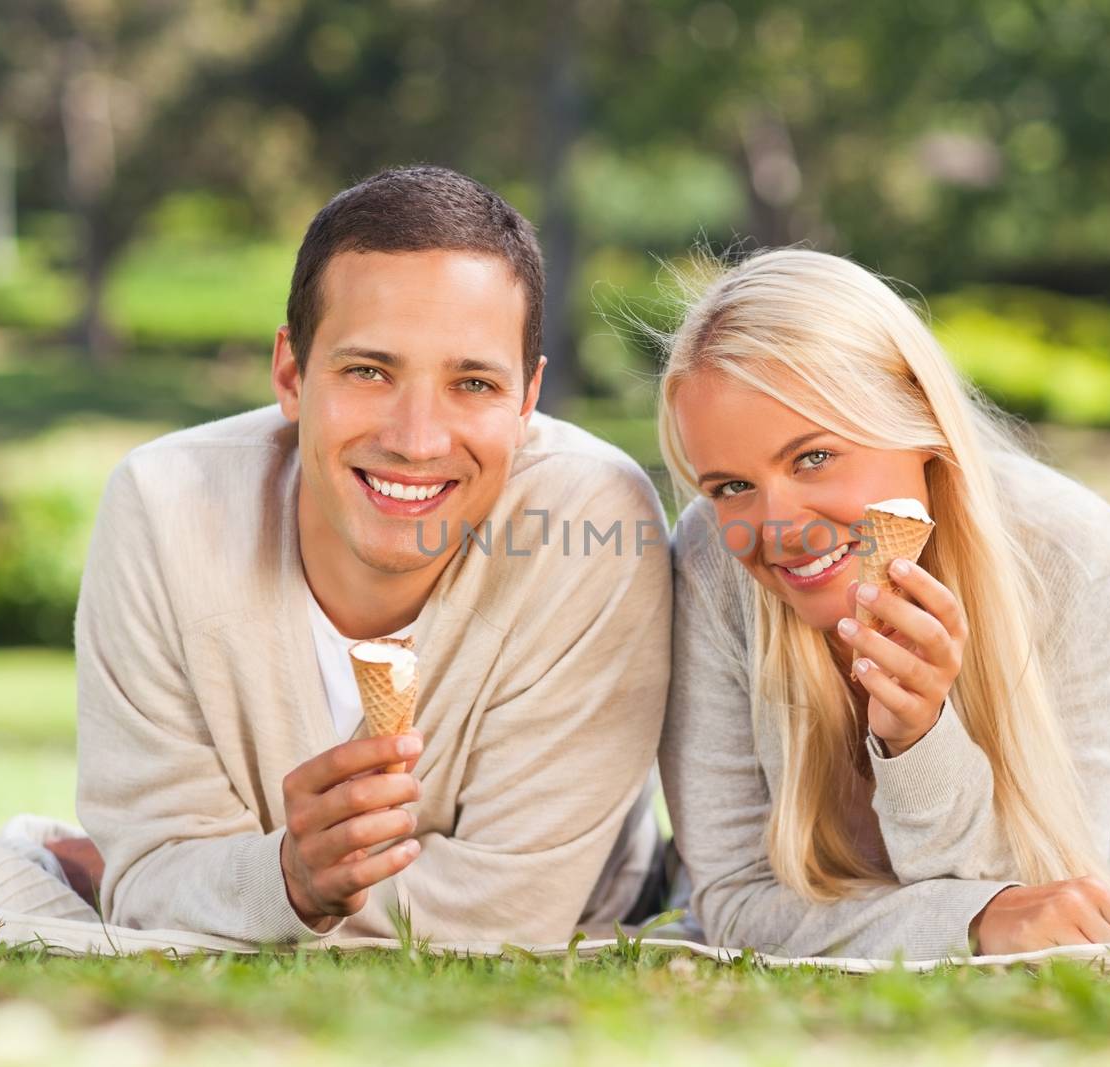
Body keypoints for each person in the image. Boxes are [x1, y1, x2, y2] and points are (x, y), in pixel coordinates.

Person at [63, 165, 671, 943]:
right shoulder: (163, 507)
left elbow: (512, 912)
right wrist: (277, 877)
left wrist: (247, 891)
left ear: (527, 400)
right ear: (291, 371)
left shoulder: (592, 521)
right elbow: (149, 875)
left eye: (474, 383)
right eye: (368, 371)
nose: (416, 440)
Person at [656, 249, 1110, 960]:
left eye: (813, 457)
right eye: (729, 486)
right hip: (821, 859)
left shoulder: (1070, 549)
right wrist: (970, 921)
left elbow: (1046, 899)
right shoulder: (713, 558)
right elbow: (734, 901)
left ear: (920, 419)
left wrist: (919, 737)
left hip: (1035, 821)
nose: (775, 526)